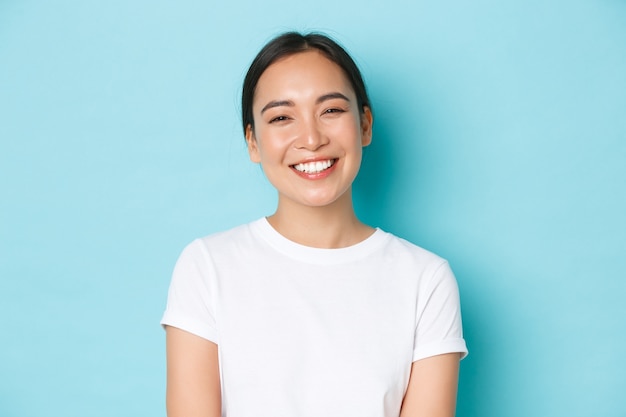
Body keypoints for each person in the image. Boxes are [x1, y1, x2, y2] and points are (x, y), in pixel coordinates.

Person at [161, 31, 468, 417]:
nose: (310, 138)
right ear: (253, 143)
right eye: (282, 117)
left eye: (331, 111)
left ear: (365, 125)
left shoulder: (426, 279)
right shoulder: (206, 266)